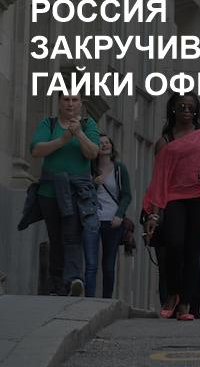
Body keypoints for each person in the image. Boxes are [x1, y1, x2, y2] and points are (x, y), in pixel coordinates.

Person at [143, 92, 200, 321]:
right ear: (173, 110)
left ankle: (186, 304)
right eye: (182, 106)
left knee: (193, 252)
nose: (186, 110)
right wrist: (153, 214)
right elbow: (159, 179)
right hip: (174, 199)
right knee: (174, 245)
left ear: (196, 111)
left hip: (199, 199)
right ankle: (173, 294)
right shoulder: (165, 141)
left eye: (190, 107)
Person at [27, 94, 100, 297]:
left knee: (72, 235)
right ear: (59, 102)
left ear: (81, 103)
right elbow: (36, 149)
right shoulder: (49, 123)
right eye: (66, 99)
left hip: (77, 192)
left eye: (74, 100)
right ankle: (56, 284)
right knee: (55, 237)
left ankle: (73, 280)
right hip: (50, 191)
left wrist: (78, 133)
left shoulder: (87, 124)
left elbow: (93, 152)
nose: (70, 104)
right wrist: (63, 140)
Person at [84, 135, 131, 298]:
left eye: (107, 142)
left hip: (113, 222)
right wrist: (94, 183)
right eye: (100, 143)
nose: (104, 145)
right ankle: (88, 299)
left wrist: (119, 215)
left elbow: (127, 195)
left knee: (109, 265)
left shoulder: (119, 169)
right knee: (91, 263)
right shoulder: (90, 168)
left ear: (111, 146)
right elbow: (83, 192)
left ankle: (106, 300)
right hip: (93, 219)